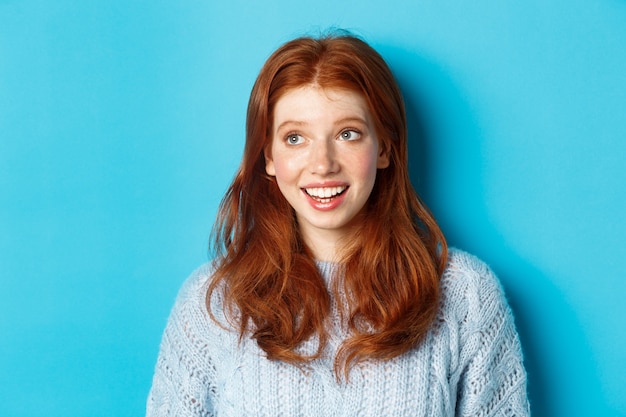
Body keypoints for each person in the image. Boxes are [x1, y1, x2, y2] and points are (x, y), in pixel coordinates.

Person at [146, 32, 530, 417]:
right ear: (269, 157)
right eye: (295, 138)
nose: (323, 163)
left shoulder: (464, 295)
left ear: (384, 148)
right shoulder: (212, 303)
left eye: (348, 134)